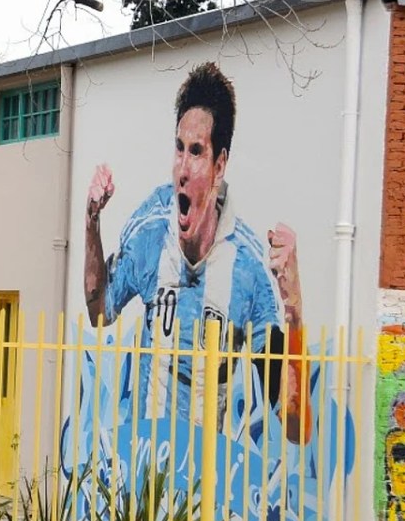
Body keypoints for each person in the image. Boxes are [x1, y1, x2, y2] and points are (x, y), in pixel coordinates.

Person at [83, 61, 311, 445]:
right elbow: (99, 311)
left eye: (196, 152)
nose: (182, 169)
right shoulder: (150, 229)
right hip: (145, 471)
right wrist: (91, 220)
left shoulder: (248, 269)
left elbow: (295, 429)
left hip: (206, 477)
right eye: (178, 148)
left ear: (219, 165)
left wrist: (295, 307)